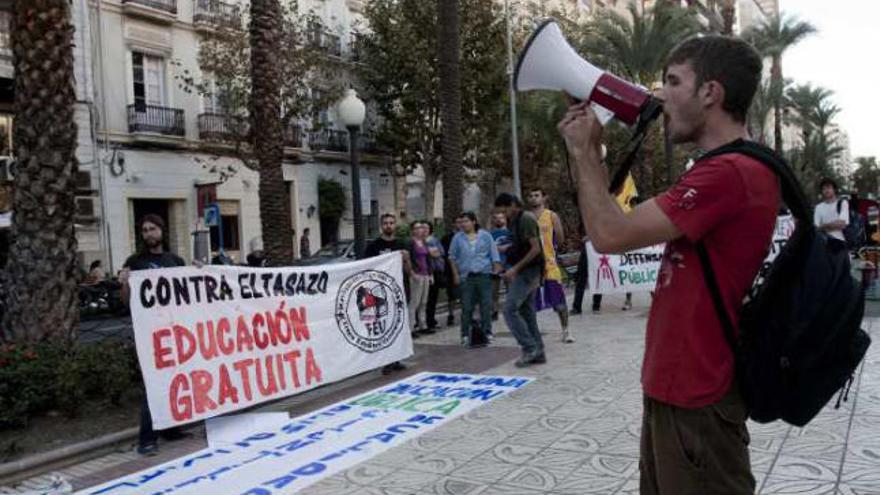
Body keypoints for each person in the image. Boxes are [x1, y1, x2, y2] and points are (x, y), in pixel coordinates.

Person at [558, 36, 771, 494]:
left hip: (698, 394)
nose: (659, 94)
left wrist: (584, 154)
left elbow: (610, 235)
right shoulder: (719, 168)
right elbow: (615, 226)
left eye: (673, 81)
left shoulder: (729, 173)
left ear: (710, 93)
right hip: (682, 389)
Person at [119, 214, 191, 456]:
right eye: (144, 230)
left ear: (162, 230)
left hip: (175, 330)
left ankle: (171, 429)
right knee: (154, 383)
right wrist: (125, 283)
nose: (148, 233)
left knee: (175, 380)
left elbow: (190, 292)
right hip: (151, 335)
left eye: (152, 229)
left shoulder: (176, 260)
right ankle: (146, 439)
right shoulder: (135, 262)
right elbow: (125, 301)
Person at [495, 193, 546, 367]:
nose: (504, 215)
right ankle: (538, 350)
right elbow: (519, 244)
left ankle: (529, 348)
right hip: (523, 270)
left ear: (513, 205)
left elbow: (535, 249)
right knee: (526, 312)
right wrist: (505, 248)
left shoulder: (526, 219)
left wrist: (515, 269)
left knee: (509, 310)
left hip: (529, 271)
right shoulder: (514, 221)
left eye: (505, 210)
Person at [527, 187, 573, 343]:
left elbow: (560, 238)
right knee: (530, 302)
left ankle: (566, 330)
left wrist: (551, 249)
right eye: (531, 196)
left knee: (559, 302)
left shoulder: (551, 216)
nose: (533, 198)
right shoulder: (525, 218)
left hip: (549, 265)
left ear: (544, 198)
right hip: (531, 267)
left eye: (536, 195)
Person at [449, 212, 502, 346]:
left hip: (484, 274)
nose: (463, 224)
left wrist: (496, 270)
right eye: (461, 222)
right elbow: (452, 257)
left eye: (466, 221)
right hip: (467, 276)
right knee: (467, 307)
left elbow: (494, 254)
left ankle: (487, 332)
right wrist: (455, 274)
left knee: (486, 305)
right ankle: (465, 334)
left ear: (473, 222)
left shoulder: (485, 235)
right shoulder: (457, 238)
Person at [365, 213, 409, 375]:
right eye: (385, 223)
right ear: (381, 226)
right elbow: (365, 267)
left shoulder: (402, 244)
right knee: (384, 326)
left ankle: (396, 358)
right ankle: (386, 360)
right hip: (379, 292)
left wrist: (407, 259)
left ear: (395, 225)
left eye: (391, 223)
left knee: (398, 323)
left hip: (398, 290)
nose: (388, 225)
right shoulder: (373, 246)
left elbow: (409, 270)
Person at [406, 220, 434, 336]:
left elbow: (428, 259)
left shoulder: (424, 242)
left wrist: (430, 274)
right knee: (414, 302)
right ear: (412, 230)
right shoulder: (410, 243)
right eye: (416, 228)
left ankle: (423, 325)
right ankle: (410, 328)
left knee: (424, 301)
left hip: (425, 274)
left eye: (421, 228)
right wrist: (412, 273)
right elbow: (408, 259)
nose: (419, 230)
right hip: (416, 275)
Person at [814, 177, 849, 251]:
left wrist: (823, 226)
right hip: (824, 245)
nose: (826, 190)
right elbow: (816, 228)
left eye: (828, 187)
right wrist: (833, 224)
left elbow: (841, 224)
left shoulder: (842, 203)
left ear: (834, 189)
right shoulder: (818, 207)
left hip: (840, 244)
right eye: (823, 189)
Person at [424, 222, 446, 330]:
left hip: (435, 272)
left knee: (432, 299)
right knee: (424, 300)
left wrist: (429, 251)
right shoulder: (417, 242)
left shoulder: (433, 240)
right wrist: (430, 251)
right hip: (423, 272)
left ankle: (431, 320)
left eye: (426, 228)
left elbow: (439, 253)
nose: (424, 230)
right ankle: (426, 321)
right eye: (421, 227)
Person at [489, 211, 511, 320]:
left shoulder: (510, 233)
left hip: (508, 264)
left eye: (501, 217)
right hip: (494, 265)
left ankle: (511, 309)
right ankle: (494, 310)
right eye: (496, 218)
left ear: (505, 219)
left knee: (510, 289)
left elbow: (514, 246)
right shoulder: (490, 234)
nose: (499, 220)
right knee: (494, 291)